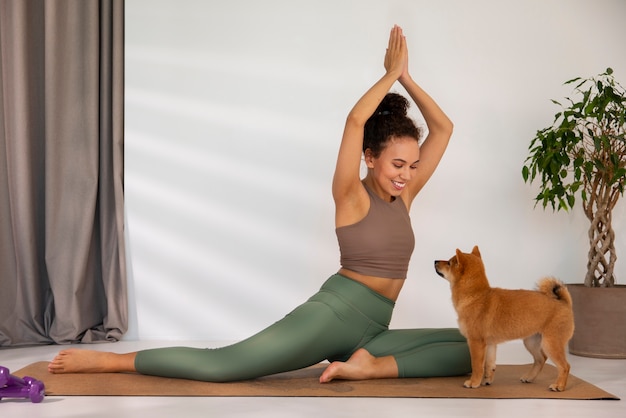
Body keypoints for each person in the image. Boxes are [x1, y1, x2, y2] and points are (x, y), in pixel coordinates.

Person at [48, 25, 470, 383]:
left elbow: (444, 128)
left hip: (376, 327)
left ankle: (369, 366)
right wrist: (390, 74)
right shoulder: (351, 195)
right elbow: (355, 121)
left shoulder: (405, 195)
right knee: (225, 364)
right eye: (398, 164)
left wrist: (408, 78)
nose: (406, 174)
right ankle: (111, 360)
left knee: (474, 348)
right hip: (335, 314)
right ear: (370, 157)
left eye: (412, 166)